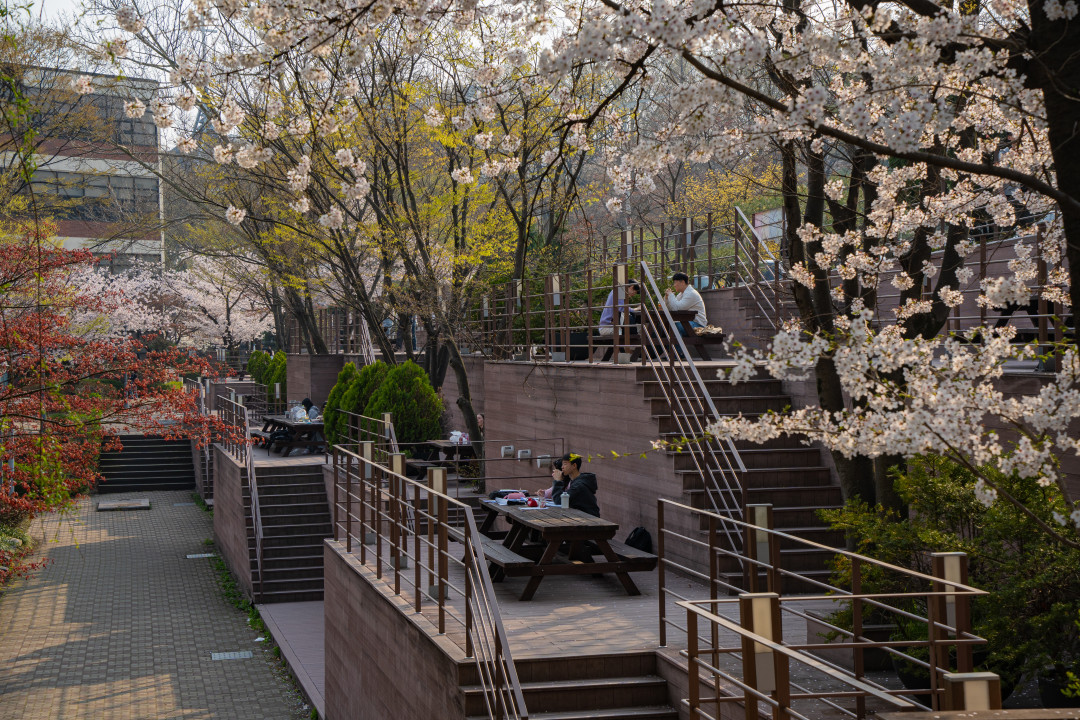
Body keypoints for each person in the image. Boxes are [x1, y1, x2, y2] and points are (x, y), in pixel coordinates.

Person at [551, 453, 599, 517]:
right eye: (562, 464)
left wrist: (558, 481)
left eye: (565, 464)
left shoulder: (579, 485)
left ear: (574, 465)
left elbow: (559, 500)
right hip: (582, 518)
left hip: (589, 520)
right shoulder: (576, 481)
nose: (562, 467)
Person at [665, 272, 707, 336]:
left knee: (675, 327)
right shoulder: (681, 294)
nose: (674, 285)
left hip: (698, 324)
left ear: (682, 282)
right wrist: (667, 298)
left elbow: (677, 308)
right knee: (662, 326)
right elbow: (672, 308)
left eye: (675, 282)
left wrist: (671, 295)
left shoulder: (691, 293)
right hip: (687, 322)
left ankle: (676, 346)